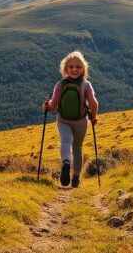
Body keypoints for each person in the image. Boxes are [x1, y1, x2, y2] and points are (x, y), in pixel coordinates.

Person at [42, 50, 99, 188]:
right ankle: (76, 178)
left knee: (65, 141)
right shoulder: (86, 85)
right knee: (78, 148)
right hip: (81, 121)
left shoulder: (60, 84)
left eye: (77, 67)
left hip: (63, 120)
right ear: (66, 68)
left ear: (83, 68)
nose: (74, 69)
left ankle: (66, 162)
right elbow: (94, 103)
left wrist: (46, 106)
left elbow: (53, 105)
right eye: (71, 67)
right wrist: (93, 116)